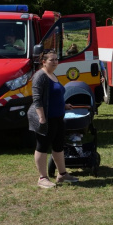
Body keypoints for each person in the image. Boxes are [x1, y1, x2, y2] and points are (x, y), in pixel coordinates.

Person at [27, 49, 78, 188]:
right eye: (52, 60)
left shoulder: (52, 74)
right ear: (44, 62)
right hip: (45, 117)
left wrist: (64, 105)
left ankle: (62, 175)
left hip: (58, 116)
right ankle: (42, 178)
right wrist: (42, 118)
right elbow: (37, 99)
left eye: (56, 59)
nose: (55, 62)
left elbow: (55, 95)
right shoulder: (40, 76)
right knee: (42, 146)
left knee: (58, 145)